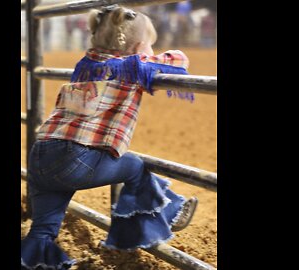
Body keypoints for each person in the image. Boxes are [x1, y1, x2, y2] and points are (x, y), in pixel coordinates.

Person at [21, 5, 198, 270]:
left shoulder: (89, 61)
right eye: (150, 45)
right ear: (139, 46)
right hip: (73, 159)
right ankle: (163, 212)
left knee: (44, 228)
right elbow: (178, 61)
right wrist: (147, 56)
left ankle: (32, 262)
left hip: (41, 153)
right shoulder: (132, 67)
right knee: (135, 166)